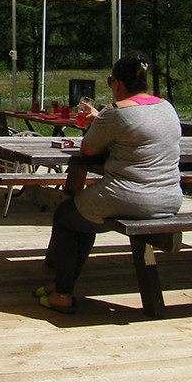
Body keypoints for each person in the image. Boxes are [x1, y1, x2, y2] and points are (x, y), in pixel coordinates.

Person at [35, 50, 181, 313]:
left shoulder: (115, 113)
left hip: (131, 197)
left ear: (118, 84)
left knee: (66, 215)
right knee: (81, 216)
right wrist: (102, 118)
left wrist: (99, 120)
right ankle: (62, 285)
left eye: (111, 81)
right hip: (169, 198)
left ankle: (63, 293)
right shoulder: (166, 107)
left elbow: (89, 149)